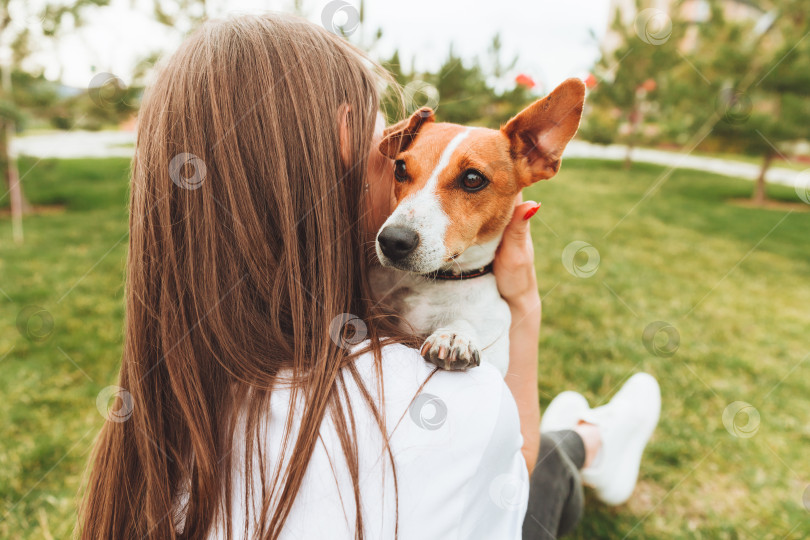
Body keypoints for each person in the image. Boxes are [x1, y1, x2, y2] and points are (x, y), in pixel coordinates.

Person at [79, 13, 660, 539]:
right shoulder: (454, 404)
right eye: (398, 159)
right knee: (552, 463)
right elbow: (517, 472)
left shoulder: (174, 395)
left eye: (470, 181)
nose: (408, 203)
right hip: (500, 475)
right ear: (340, 142)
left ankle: (589, 432)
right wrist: (525, 307)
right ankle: (595, 437)